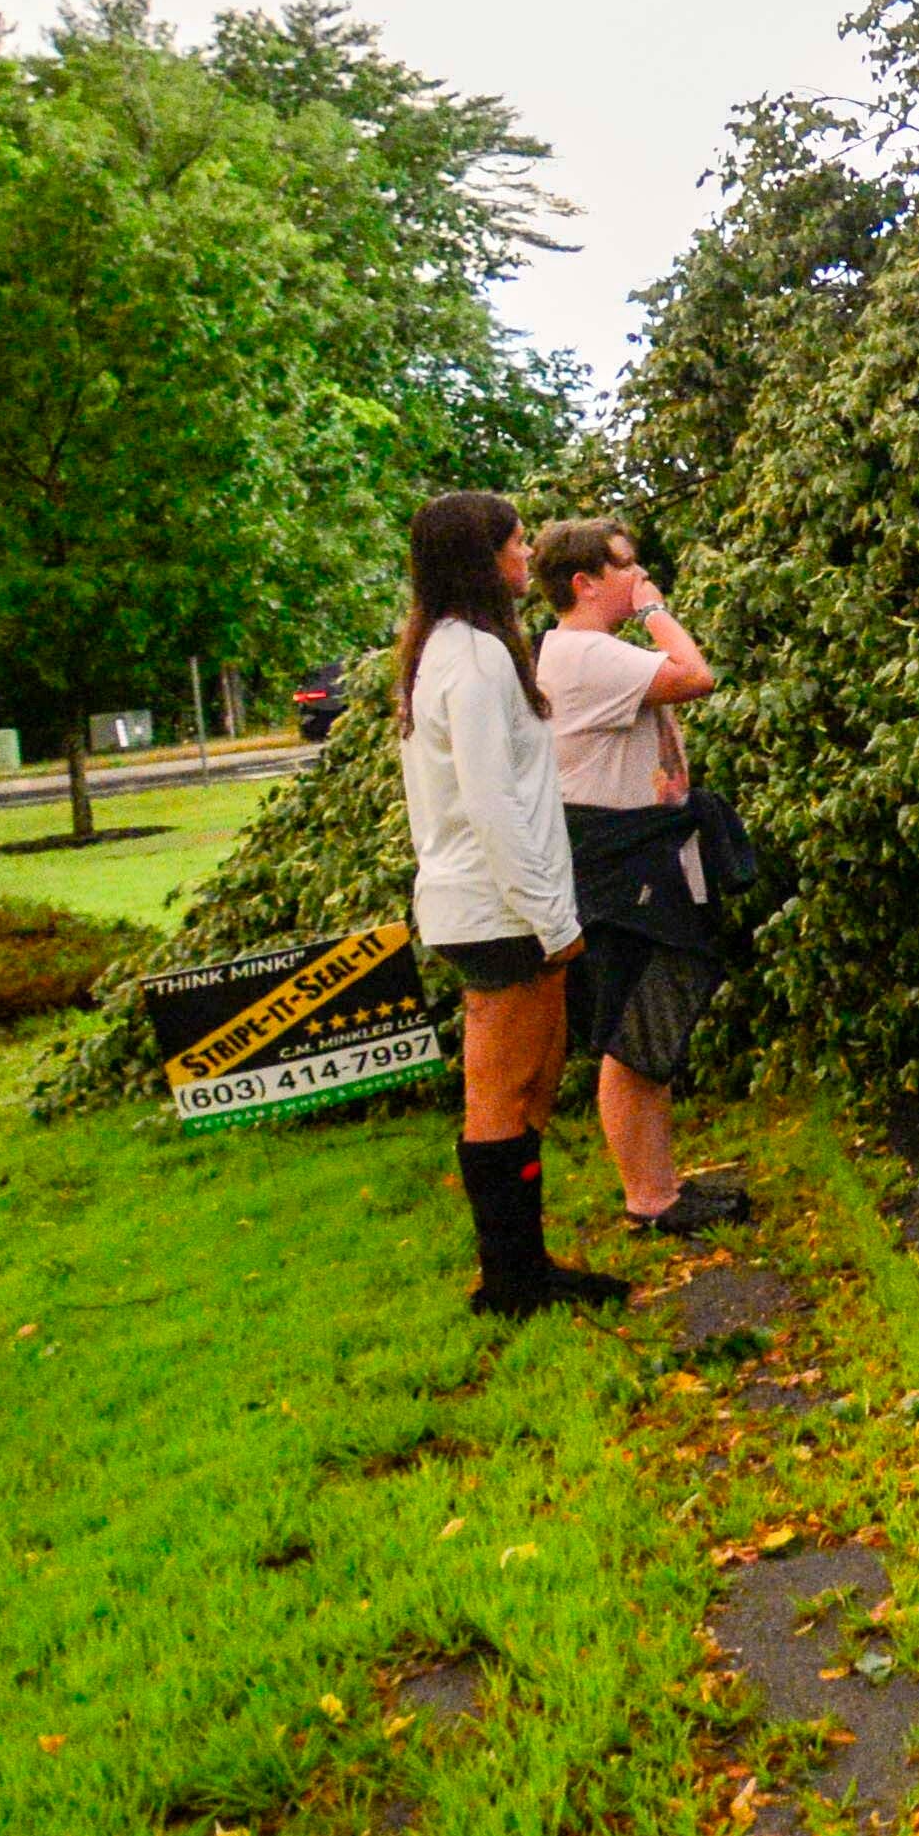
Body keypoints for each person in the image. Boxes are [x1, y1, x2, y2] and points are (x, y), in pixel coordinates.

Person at [394, 489, 628, 1317]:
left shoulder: (454, 649)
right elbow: (494, 807)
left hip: (494, 906)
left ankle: (526, 1269)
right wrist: (555, 926)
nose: (529, 556)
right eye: (518, 543)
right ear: (480, 559)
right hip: (501, 913)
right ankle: (513, 1284)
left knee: (524, 1087)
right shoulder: (475, 658)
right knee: (504, 1087)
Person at [530, 512, 734, 1238]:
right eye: (625, 565)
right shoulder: (585, 652)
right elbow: (697, 676)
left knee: (650, 1026)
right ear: (584, 582)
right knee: (632, 1029)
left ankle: (662, 1189)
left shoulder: (584, 653)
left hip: (629, 853)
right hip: (620, 866)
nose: (639, 574)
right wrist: (654, 611)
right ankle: (649, 1200)